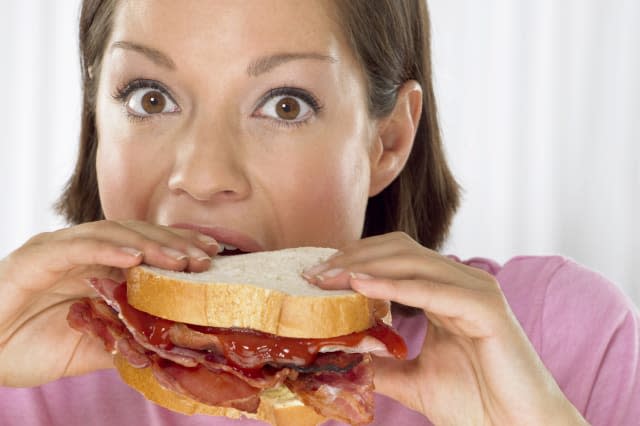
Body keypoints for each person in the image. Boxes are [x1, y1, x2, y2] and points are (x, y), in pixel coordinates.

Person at [0, 1, 638, 425]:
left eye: (285, 105)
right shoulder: (24, 372)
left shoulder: (559, 337)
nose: (203, 175)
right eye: (150, 96)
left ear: (385, 141)